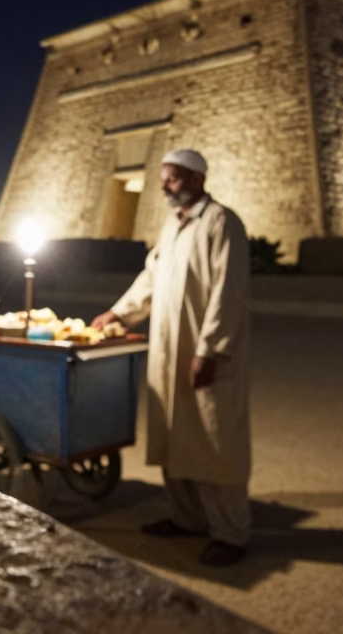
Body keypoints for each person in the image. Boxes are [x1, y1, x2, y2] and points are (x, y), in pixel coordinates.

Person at [91, 149, 252, 568]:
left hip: (203, 355)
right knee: (174, 437)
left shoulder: (222, 223)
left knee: (215, 442)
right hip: (168, 352)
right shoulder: (173, 225)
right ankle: (187, 517)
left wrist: (210, 350)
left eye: (173, 178)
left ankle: (230, 533)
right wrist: (119, 312)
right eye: (164, 178)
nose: (164, 186)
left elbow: (227, 293)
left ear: (198, 179)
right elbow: (151, 277)